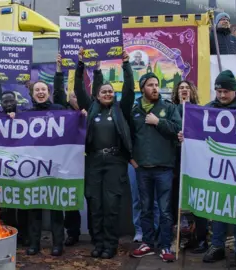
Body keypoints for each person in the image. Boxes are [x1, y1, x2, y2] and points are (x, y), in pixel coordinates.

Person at [74, 47, 133, 259]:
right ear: (97, 96)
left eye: (110, 91)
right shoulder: (91, 109)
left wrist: (126, 65)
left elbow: (129, 90)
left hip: (115, 162)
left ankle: (110, 245)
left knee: (111, 206)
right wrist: (80, 64)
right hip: (94, 162)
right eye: (103, 91)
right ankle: (97, 243)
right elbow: (79, 89)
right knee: (95, 205)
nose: (107, 93)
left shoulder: (120, 109)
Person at [194, 70, 236, 267]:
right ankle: (217, 246)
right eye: (218, 91)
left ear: (235, 91)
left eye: (225, 91)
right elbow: (196, 131)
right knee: (218, 209)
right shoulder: (209, 109)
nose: (221, 95)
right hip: (217, 170)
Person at [127, 71, 181, 263]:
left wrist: (158, 122)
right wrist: (132, 160)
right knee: (146, 208)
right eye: (150, 85)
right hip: (142, 168)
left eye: (156, 84)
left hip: (164, 167)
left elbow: (178, 130)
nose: (155, 88)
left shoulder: (169, 107)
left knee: (165, 210)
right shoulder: (134, 112)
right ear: (142, 89)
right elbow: (128, 138)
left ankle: (165, 245)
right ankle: (148, 243)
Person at [53, 54, 96, 246]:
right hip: (70, 162)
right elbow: (58, 93)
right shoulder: (64, 113)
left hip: (90, 162)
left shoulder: (92, 110)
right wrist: (59, 69)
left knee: (92, 198)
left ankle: (95, 232)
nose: (75, 98)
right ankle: (73, 232)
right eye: (72, 96)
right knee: (70, 198)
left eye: (78, 95)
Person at [23, 80, 67, 257]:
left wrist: (82, 114)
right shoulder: (26, 114)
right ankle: (34, 244)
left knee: (56, 206)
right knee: (34, 208)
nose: (40, 92)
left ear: (48, 92)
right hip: (34, 167)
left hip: (55, 165)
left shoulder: (59, 109)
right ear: (32, 93)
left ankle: (58, 244)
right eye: (37, 90)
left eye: (43, 89)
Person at [171, 80, 208, 254]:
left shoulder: (200, 111)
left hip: (195, 161)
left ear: (192, 91)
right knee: (177, 199)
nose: (184, 90)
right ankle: (180, 237)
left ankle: (201, 239)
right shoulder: (171, 110)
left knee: (196, 199)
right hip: (176, 160)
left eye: (187, 88)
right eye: (181, 88)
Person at [0, 90, 30, 247]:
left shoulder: (26, 117)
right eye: (5, 101)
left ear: (17, 102)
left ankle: (24, 236)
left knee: (23, 205)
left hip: (23, 167)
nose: (9, 104)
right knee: (7, 205)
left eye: (11, 101)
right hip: (3, 168)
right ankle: (11, 236)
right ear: (1, 104)